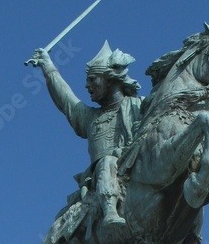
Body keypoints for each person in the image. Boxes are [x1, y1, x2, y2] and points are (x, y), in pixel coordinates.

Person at [28, 41, 143, 226]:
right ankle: (110, 211)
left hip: (136, 168)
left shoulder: (140, 106)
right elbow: (66, 99)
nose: (87, 85)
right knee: (107, 161)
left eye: (92, 79)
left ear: (110, 79)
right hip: (101, 177)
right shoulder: (91, 117)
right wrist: (48, 66)